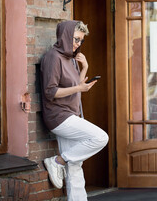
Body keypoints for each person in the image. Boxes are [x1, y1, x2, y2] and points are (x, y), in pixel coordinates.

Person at [41, 20, 109, 201]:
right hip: (58, 116)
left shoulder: (72, 58)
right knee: (100, 137)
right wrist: (79, 89)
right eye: (76, 39)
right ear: (65, 36)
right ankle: (57, 161)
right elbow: (51, 92)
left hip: (70, 114)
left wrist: (85, 67)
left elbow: (76, 87)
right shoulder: (53, 57)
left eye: (81, 41)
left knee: (75, 164)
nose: (78, 44)